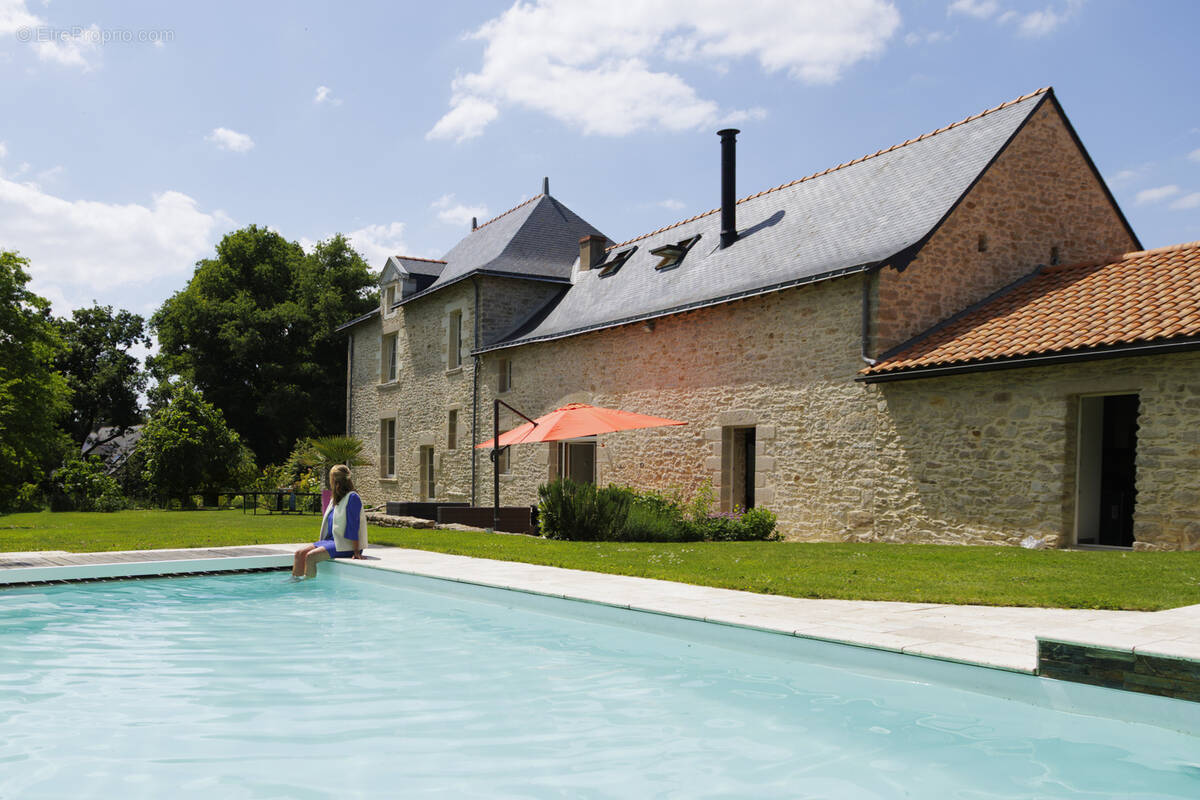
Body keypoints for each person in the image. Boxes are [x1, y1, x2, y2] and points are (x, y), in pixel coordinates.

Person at [292, 465, 367, 579]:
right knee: (299, 553)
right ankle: (295, 587)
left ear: (335, 480)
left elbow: (353, 526)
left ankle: (307, 590)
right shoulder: (336, 499)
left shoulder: (352, 497)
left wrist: (356, 551)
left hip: (346, 544)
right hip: (330, 541)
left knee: (311, 557)